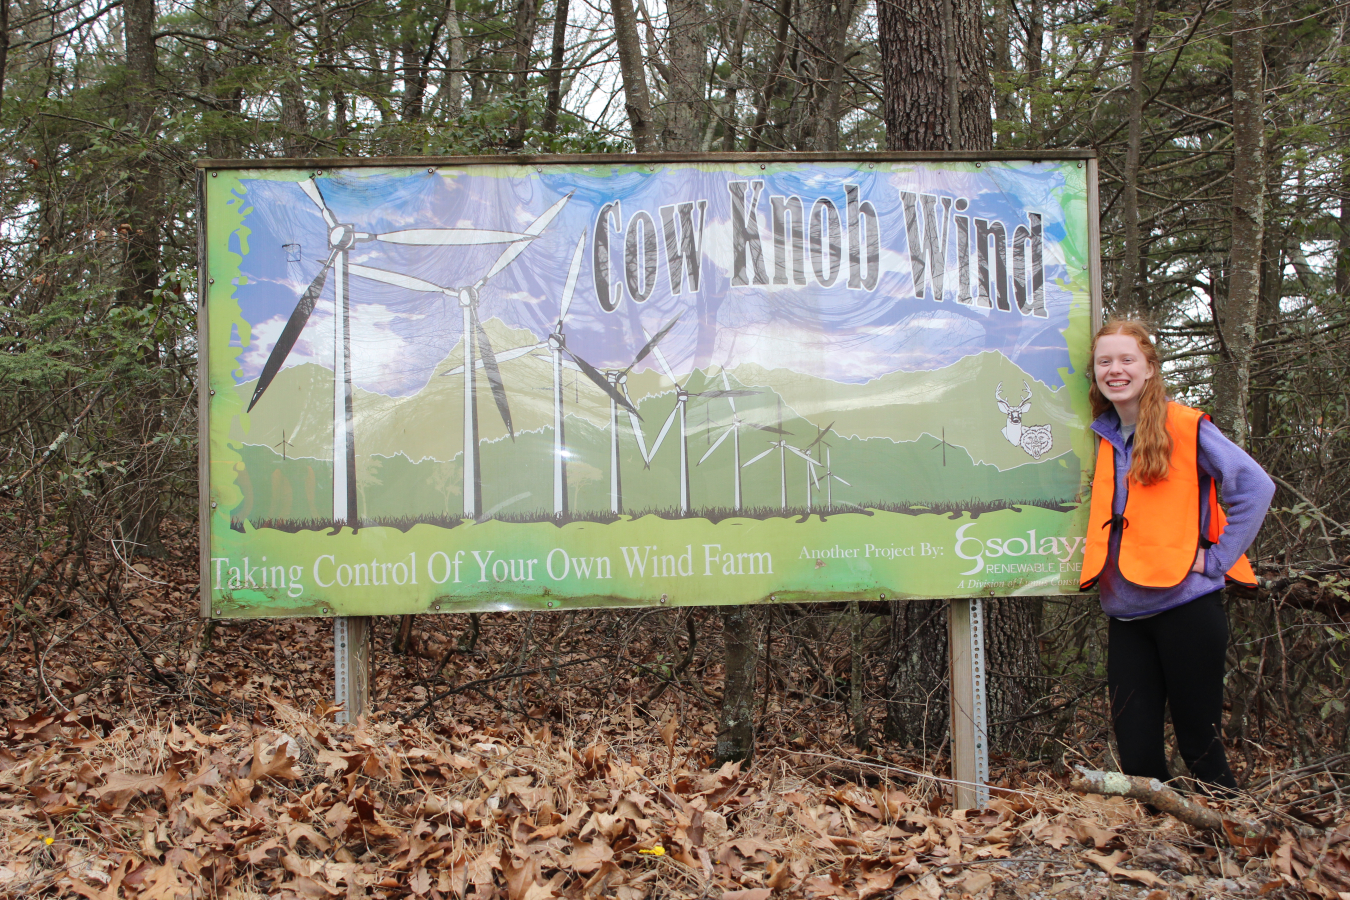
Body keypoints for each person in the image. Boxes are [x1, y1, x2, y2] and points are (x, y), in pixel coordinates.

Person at [1079, 319, 1275, 791]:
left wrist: (1215, 560)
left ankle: (1233, 842)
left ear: (1149, 368)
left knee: (1200, 746)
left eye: (1127, 359)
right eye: (1105, 361)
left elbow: (1255, 486)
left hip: (1186, 607)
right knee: (1138, 756)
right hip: (1125, 615)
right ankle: (1161, 852)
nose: (1115, 370)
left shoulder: (1185, 426)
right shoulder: (1102, 435)